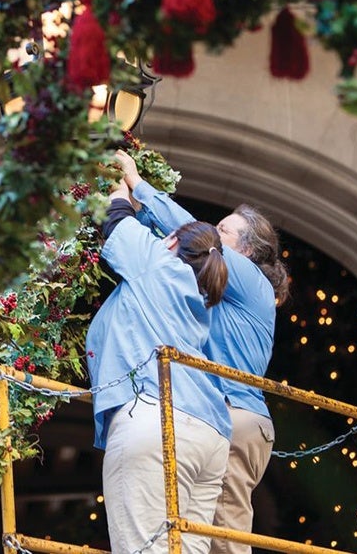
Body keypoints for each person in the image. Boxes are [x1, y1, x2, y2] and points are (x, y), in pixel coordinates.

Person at [115, 150, 289, 554]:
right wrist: (127, 206)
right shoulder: (217, 286)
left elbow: (191, 234)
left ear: (244, 251)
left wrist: (139, 184)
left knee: (225, 538)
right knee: (196, 536)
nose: (212, 232)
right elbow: (170, 248)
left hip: (235, 415)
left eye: (223, 231)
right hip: (216, 416)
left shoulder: (249, 279)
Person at [86, 179, 232, 554]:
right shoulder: (200, 298)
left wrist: (118, 178)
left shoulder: (158, 263)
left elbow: (114, 216)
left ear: (170, 243)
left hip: (157, 418)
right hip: (209, 434)